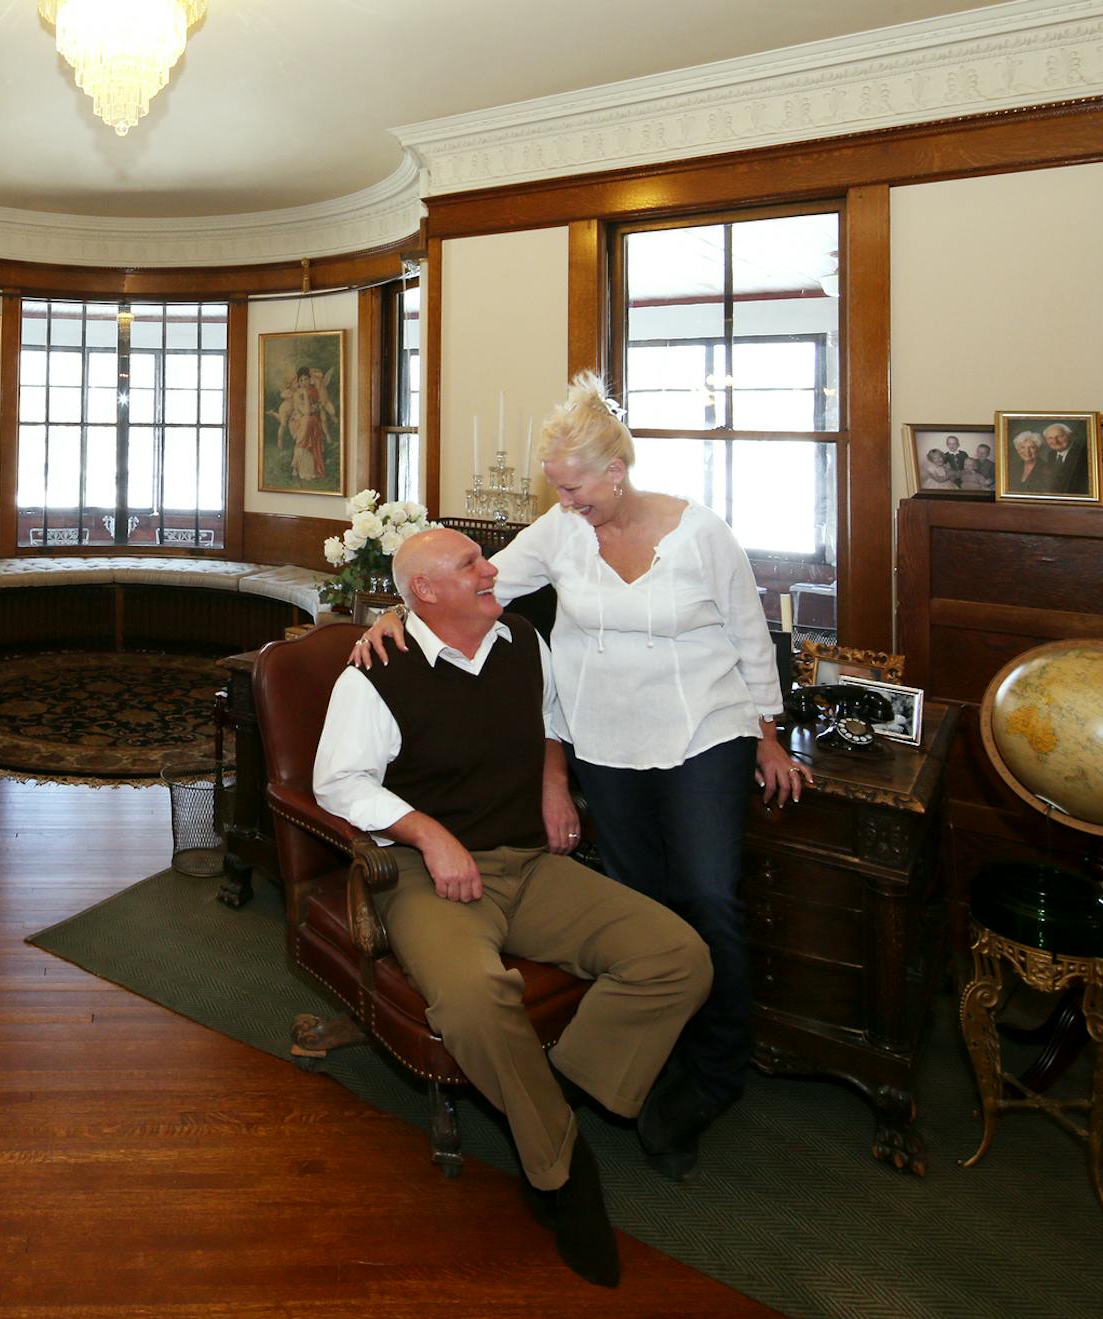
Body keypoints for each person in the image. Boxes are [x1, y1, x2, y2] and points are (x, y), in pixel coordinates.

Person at [356, 372, 809, 1181]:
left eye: (574, 487)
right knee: (643, 901)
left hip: (705, 729)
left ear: (615, 471)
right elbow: (474, 579)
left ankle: (713, 1075)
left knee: (709, 895)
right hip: (606, 740)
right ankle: (650, 1063)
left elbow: (751, 635)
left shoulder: (699, 533)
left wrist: (769, 737)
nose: (565, 501)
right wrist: (394, 611)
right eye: (557, 489)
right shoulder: (564, 530)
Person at [315, 525, 711, 1289]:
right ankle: (561, 1168)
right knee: (472, 996)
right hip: (429, 877)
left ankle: (546, 1095)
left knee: (678, 955)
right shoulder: (375, 671)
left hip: (528, 863)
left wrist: (554, 780)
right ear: (425, 591)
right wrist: (430, 835)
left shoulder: (524, 638)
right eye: (470, 564)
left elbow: (550, 722)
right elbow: (340, 783)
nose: (492, 568)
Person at [1040, 421, 1089, 494]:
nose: (1055, 441)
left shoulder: (1082, 453)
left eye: (1060, 436)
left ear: (1071, 436)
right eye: (1050, 438)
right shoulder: (1051, 455)